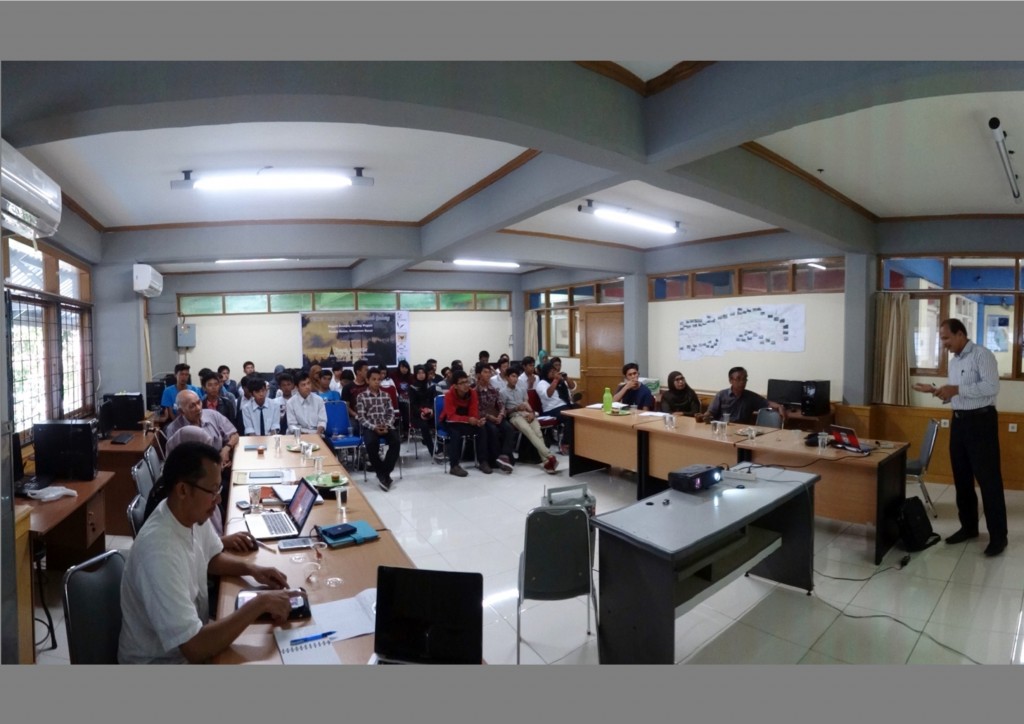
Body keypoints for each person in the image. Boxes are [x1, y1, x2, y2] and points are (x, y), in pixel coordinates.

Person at [118, 441, 293, 664]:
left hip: (191, 640)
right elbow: (195, 647)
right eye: (212, 491)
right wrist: (259, 604)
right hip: (163, 662)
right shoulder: (159, 552)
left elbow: (211, 558)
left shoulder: (188, 514)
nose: (217, 499)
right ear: (183, 490)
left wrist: (252, 570)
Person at [913, 318, 1007, 556]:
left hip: (981, 422)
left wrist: (956, 389)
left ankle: (999, 537)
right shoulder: (954, 362)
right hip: (959, 422)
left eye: (946, 338)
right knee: (962, 479)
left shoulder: (982, 355)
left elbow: (991, 387)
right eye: (942, 339)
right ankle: (969, 527)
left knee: (989, 481)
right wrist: (937, 391)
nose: (944, 343)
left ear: (960, 335)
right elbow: (957, 394)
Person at [500, 365, 558, 474]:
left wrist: (532, 413)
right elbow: (504, 412)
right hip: (515, 416)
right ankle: (549, 455)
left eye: (516, 377)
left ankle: (546, 462)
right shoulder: (502, 392)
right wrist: (516, 408)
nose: (515, 379)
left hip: (527, 414)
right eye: (513, 376)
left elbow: (527, 403)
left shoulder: (521, 389)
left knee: (538, 433)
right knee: (529, 432)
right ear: (507, 377)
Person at [356, 367, 401, 491]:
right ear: (367, 380)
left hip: (385, 425)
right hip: (370, 426)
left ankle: (384, 473)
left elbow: (391, 413)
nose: (377, 382)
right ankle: (384, 475)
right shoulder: (361, 396)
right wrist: (374, 427)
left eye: (379, 379)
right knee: (371, 443)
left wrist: (386, 425)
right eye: (374, 379)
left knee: (396, 441)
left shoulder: (386, 395)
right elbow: (361, 417)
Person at [698, 366, 785, 425]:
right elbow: (711, 412)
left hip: (743, 432)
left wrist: (779, 406)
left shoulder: (751, 396)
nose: (742, 382)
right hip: (724, 429)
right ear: (730, 380)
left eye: (744, 379)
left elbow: (767, 403)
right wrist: (705, 416)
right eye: (738, 379)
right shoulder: (721, 395)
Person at [441, 369, 484, 477]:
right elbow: (451, 416)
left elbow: (473, 412)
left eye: (467, 381)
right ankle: (454, 466)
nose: (466, 385)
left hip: (465, 421)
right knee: (455, 433)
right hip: (450, 422)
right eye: (462, 383)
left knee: (482, 429)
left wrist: (476, 421)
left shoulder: (472, 393)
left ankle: (483, 461)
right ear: (455, 386)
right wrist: (469, 420)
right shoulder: (449, 395)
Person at [474, 362, 516, 473]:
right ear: (478, 375)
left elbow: (501, 404)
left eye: (489, 372)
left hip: (496, 415)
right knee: (493, 430)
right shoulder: (474, 391)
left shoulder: (493, 389)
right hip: (484, 417)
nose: (488, 375)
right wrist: (489, 416)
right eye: (485, 372)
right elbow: (477, 409)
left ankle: (504, 455)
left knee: (508, 428)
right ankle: (492, 459)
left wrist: (501, 415)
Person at [535, 362, 576, 455]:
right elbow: (548, 394)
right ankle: (565, 444)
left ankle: (579, 442)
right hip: (551, 409)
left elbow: (572, 387)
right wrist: (555, 380)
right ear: (546, 372)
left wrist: (565, 378)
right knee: (569, 416)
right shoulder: (541, 383)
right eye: (551, 371)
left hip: (564, 405)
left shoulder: (560, 381)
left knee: (580, 411)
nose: (553, 373)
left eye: (554, 371)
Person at [407, 364, 437, 458]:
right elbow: (413, 405)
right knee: (424, 426)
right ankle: (432, 451)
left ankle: (442, 449)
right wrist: (421, 413)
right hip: (417, 415)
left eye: (423, 372)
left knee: (441, 422)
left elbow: (434, 401)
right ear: (415, 374)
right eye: (418, 373)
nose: (421, 375)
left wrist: (431, 411)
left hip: (431, 413)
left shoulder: (431, 386)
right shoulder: (412, 387)